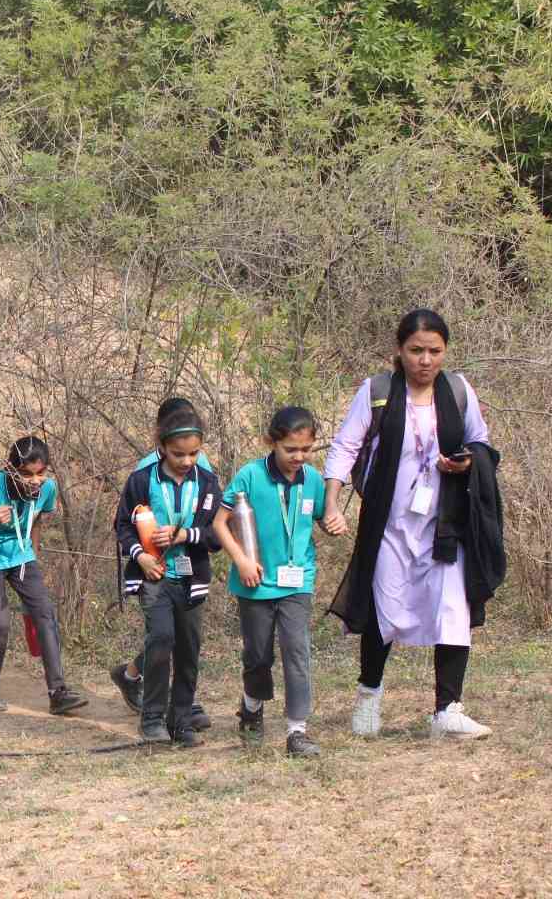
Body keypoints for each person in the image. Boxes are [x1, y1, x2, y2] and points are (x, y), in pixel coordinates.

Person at [324, 308, 503, 740]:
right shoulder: (379, 391)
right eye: (416, 350)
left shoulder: (459, 391)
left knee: (452, 610)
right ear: (399, 351)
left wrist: (465, 464)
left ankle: (448, 708)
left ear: (446, 352)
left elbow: (481, 443)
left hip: (445, 525)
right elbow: (346, 446)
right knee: (384, 610)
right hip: (389, 524)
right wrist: (332, 503)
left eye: (434, 351)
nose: (425, 360)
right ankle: (369, 698)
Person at [215, 407, 349, 757]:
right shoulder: (250, 475)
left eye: (305, 450)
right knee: (258, 656)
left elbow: (322, 517)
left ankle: (297, 731)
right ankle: (251, 706)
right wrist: (242, 560)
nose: (298, 457)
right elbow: (220, 523)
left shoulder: (313, 480)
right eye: (291, 449)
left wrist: (333, 522)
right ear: (271, 442)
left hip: (297, 582)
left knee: (297, 650)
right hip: (256, 581)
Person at [113, 407, 222, 746]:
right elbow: (123, 526)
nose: (187, 461)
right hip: (154, 578)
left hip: (191, 579)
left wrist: (184, 535)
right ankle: (152, 719)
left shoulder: (207, 483)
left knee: (189, 649)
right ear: (160, 446)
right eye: (178, 454)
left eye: (194, 453)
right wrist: (141, 557)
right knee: (160, 640)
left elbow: (216, 535)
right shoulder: (142, 480)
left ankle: (181, 719)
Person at [0, 435, 87, 716]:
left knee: (45, 613)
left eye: (40, 473)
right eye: (27, 474)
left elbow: (38, 518)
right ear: (11, 469)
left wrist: (33, 551)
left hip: (22, 555)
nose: (35, 481)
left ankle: (58, 693)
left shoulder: (47, 488)